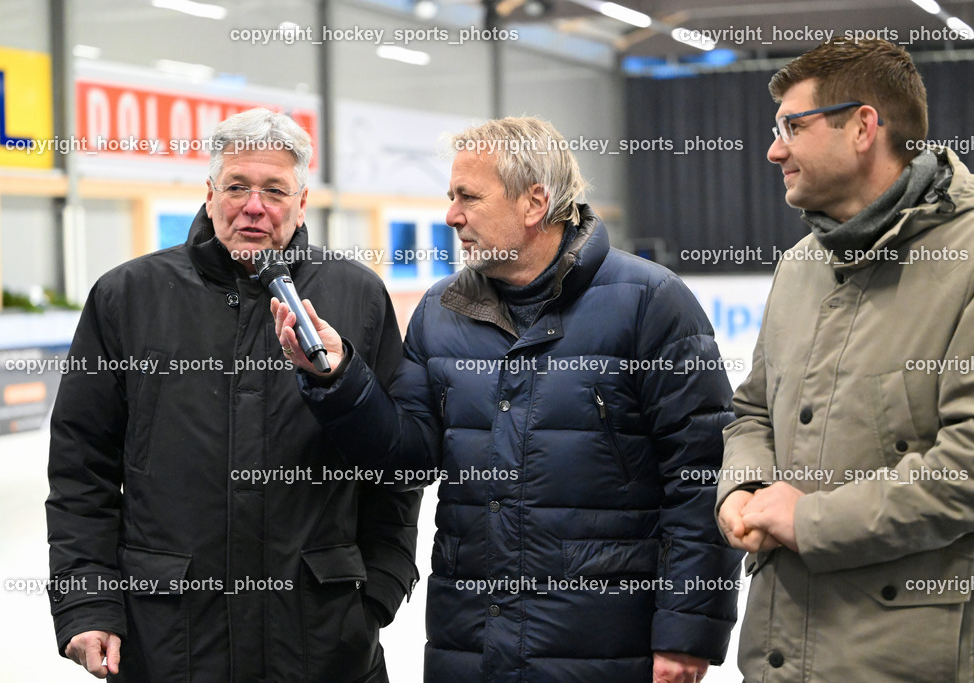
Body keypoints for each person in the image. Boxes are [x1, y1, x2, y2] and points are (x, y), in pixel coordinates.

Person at [274, 116, 742, 682]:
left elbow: (701, 478)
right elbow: (408, 460)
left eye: (468, 197)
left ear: (534, 203)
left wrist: (687, 633)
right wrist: (340, 379)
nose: (451, 215)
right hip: (471, 646)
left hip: (607, 649)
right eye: (451, 197)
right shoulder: (440, 312)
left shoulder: (651, 303)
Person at [46, 108, 420, 682]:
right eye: (237, 186)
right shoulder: (128, 296)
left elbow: (396, 460)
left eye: (275, 190)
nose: (254, 205)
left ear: (301, 202)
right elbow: (81, 467)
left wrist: (382, 585)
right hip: (170, 640)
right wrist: (87, 600)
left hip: (323, 639)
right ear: (209, 193)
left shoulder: (359, 297)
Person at [717, 38, 974, 681]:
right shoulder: (799, 266)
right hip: (776, 657)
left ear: (864, 127)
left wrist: (810, 521)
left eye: (792, 126)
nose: (774, 150)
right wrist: (747, 487)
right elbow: (752, 412)